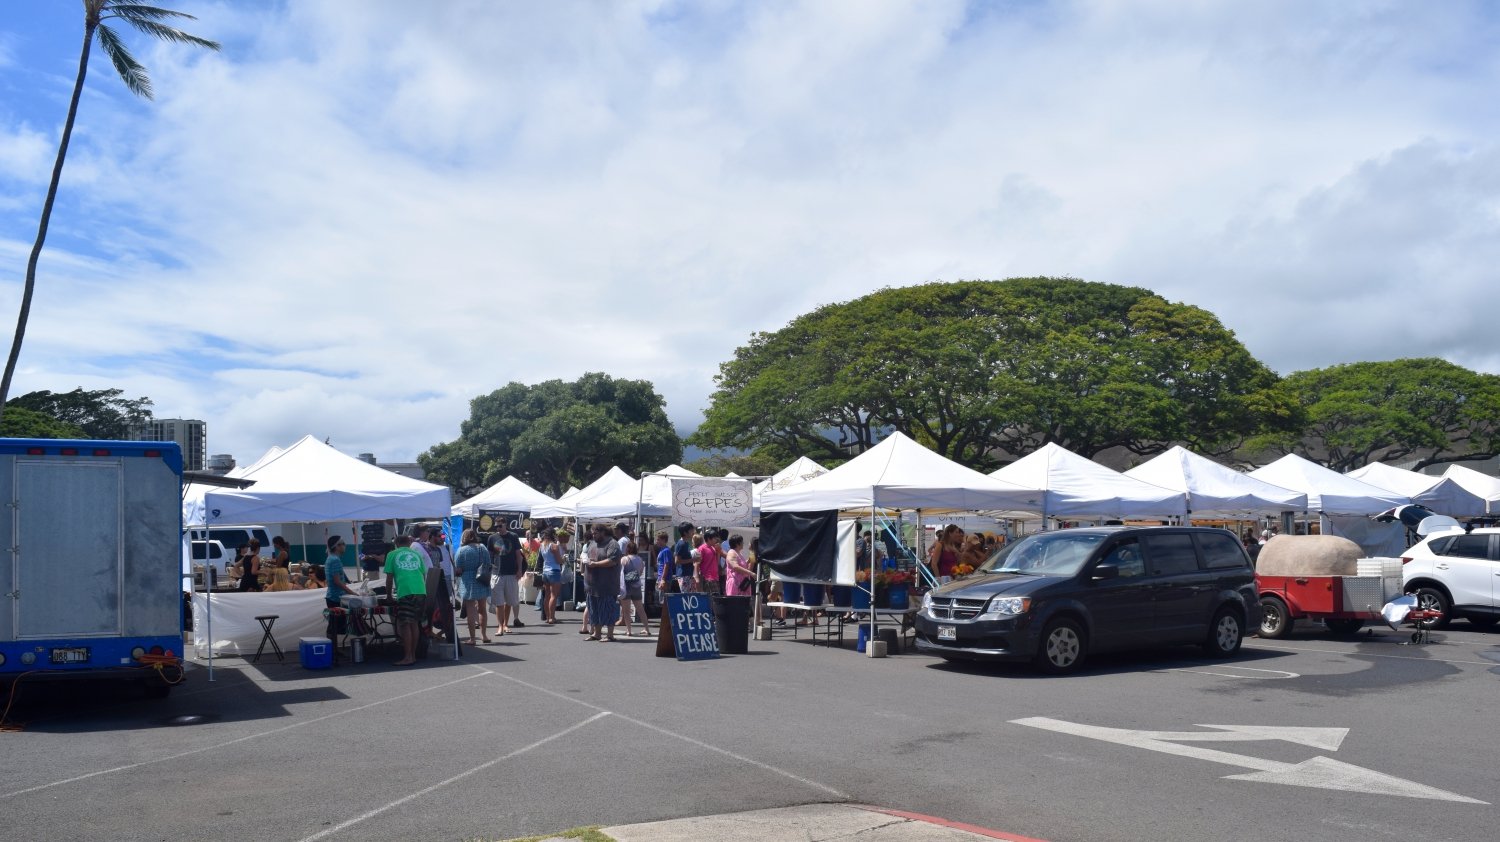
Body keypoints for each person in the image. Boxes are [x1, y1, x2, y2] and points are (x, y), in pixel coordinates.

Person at [384, 535, 428, 666]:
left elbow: (389, 578)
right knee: (414, 623)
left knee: (405, 624)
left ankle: (408, 657)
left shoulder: (392, 554)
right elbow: (423, 574)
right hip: (420, 590)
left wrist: (389, 596)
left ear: (396, 543)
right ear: (409, 543)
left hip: (406, 591)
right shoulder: (416, 554)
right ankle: (412, 655)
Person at [583, 523, 622, 641]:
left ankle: (610, 635)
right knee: (594, 610)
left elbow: (612, 561)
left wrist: (595, 564)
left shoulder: (612, 544)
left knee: (608, 609)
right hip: (592, 584)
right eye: (592, 533)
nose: (593, 536)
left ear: (603, 532)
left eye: (596, 533)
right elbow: (587, 556)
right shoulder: (592, 543)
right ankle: (597, 633)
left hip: (607, 584)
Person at [454, 528, 492, 644]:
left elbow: (458, 569)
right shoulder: (482, 548)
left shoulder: (461, 551)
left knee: (470, 611)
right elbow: (488, 563)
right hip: (482, 580)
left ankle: (472, 638)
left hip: (468, 581)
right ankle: (484, 636)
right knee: (482, 610)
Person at [489, 521, 524, 634]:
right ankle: (500, 626)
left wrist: (519, 570)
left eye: (500, 525)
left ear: (505, 525)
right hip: (496, 573)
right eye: (496, 526)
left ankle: (505, 625)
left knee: (509, 601)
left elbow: (518, 555)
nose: (498, 528)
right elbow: (489, 555)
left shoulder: (513, 536)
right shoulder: (492, 538)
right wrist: (488, 571)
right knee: (499, 602)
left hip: (511, 573)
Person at [617, 540, 651, 637]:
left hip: (626, 587)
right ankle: (646, 629)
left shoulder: (624, 559)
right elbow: (640, 573)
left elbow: (620, 572)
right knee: (640, 609)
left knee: (626, 610)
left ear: (627, 549)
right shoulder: (640, 559)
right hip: (636, 586)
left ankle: (629, 631)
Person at [538, 528, 564, 625]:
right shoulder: (554, 546)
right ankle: (552, 617)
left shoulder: (542, 545)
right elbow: (558, 561)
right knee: (554, 595)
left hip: (545, 571)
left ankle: (548, 616)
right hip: (554, 571)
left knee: (547, 595)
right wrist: (563, 560)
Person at [674, 522, 697, 592]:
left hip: (688, 574)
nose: (693, 532)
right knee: (686, 596)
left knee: (690, 596)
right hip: (684, 575)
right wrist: (693, 559)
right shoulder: (681, 544)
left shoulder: (685, 543)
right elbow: (677, 561)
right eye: (691, 530)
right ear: (685, 532)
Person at [696, 529, 721, 595]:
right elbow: (697, 564)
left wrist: (718, 552)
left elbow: (717, 562)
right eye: (714, 538)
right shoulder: (702, 548)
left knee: (715, 598)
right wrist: (697, 578)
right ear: (708, 539)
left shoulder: (714, 548)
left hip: (715, 577)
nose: (716, 539)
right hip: (707, 577)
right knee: (712, 598)